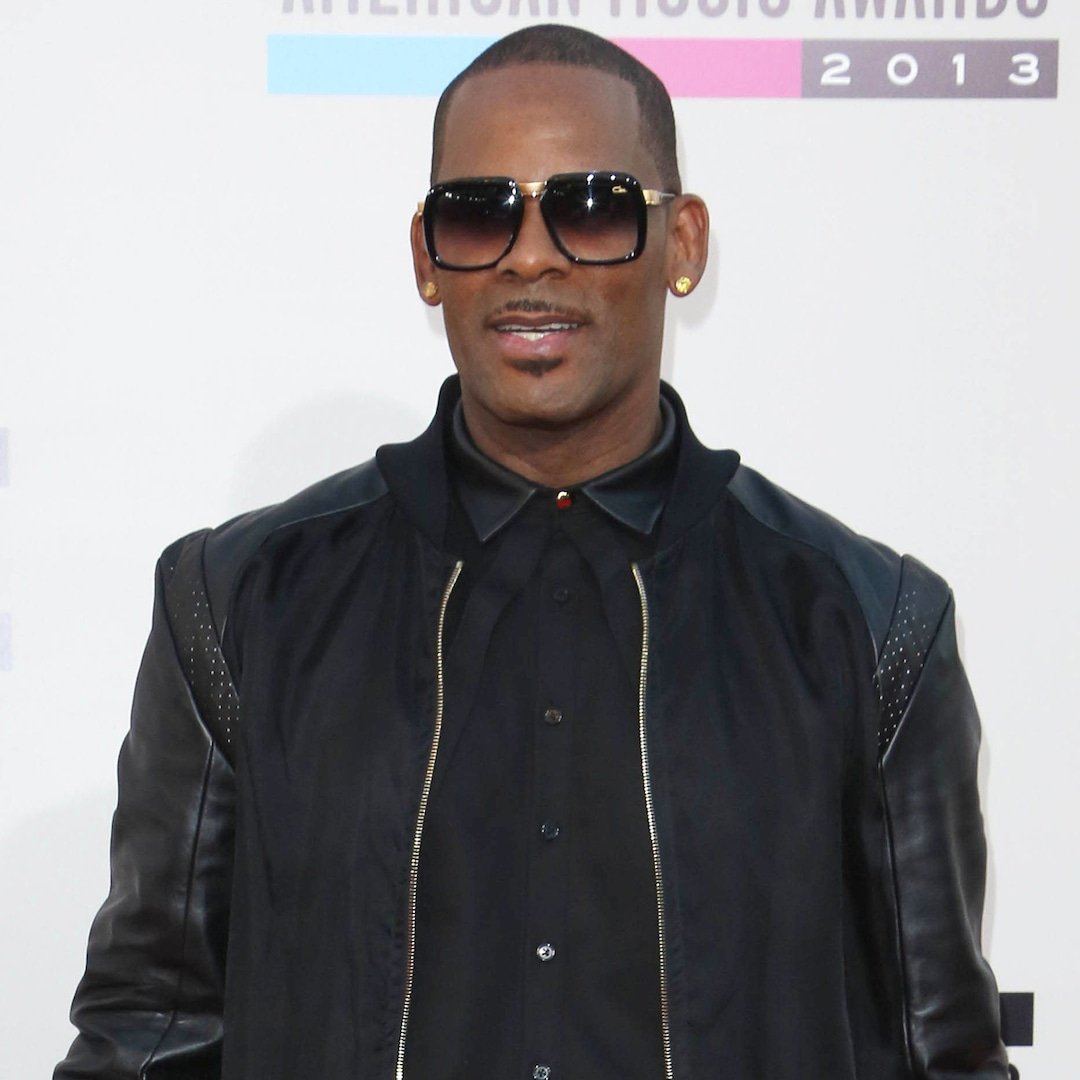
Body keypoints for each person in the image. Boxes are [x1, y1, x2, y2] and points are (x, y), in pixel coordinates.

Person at [56, 24, 1010, 1080]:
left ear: (683, 243)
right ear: (428, 257)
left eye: (592, 208)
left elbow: (943, 1053)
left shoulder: (869, 623)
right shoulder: (237, 605)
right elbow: (148, 1034)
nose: (530, 255)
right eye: (480, 213)